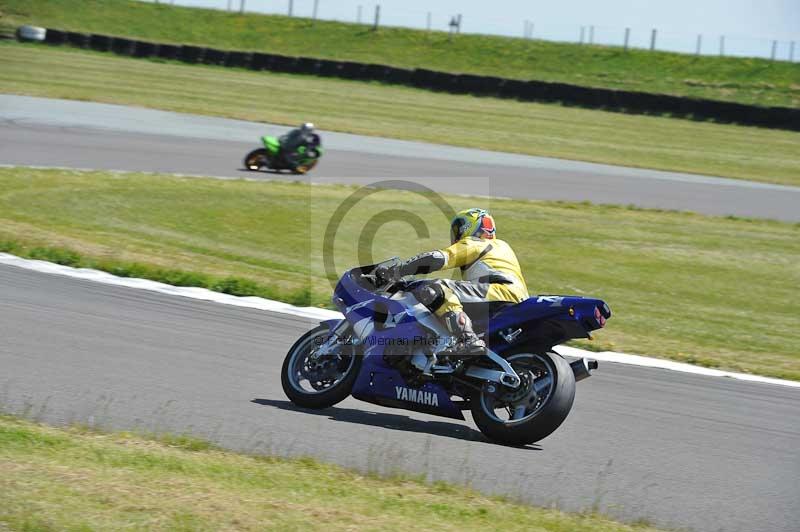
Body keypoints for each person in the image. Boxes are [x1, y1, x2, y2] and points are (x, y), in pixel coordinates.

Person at [377, 208, 529, 358]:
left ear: (469, 226)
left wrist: (399, 270)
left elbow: (438, 258)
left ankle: (468, 339)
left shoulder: (476, 243)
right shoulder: (502, 247)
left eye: (458, 228)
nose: (456, 233)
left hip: (499, 291)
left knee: (437, 288)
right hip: (516, 298)